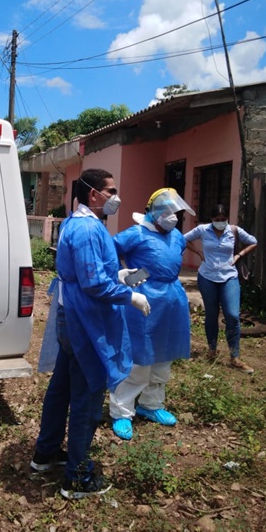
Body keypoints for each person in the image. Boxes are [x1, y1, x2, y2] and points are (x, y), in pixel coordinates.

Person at [31, 168, 150, 499]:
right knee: (87, 396)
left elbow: (96, 271)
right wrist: (130, 295)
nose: (116, 197)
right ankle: (78, 477)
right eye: (111, 191)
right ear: (94, 194)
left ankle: (47, 452)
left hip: (75, 317)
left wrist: (120, 274)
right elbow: (93, 282)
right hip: (85, 323)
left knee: (62, 388)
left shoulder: (80, 223)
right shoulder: (85, 228)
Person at [108, 188, 194, 440]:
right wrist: (127, 275)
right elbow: (109, 252)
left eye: (175, 212)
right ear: (153, 213)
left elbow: (169, 262)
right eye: (166, 212)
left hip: (171, 300)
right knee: (138, 357)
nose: (172, 217)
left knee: (163, 355)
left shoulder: (177, 236)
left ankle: (151, 404)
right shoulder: (136, 233)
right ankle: (122, 411)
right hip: (143, 299)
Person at [184, 204, 258, 374]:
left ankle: (235, 356)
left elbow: (253, 242)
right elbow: (183, 239)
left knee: (232, 315)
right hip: (207, 277)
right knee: (211, 314)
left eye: (223, 219)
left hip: (229, 277)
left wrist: (239, 255)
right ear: (211, 219)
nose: (220, 222)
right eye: (217, 220)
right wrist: (199, 253)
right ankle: (212, 350)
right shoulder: (202, 230)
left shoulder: (233, 231)